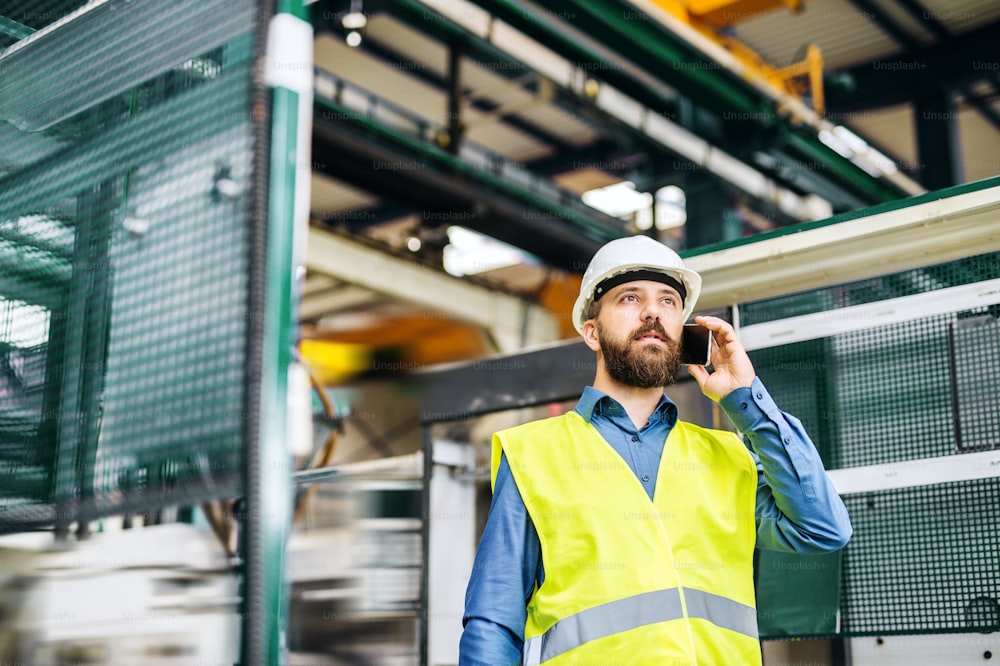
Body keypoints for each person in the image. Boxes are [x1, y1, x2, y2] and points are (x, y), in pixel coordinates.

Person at [458, 235, 852, 665]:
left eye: (668, 301)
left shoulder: (727, 455)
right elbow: (494, 619)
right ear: (592, 332)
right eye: (630, 298)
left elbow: (822, 529)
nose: (652, 311)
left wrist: (747, 401)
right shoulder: (533, 453)